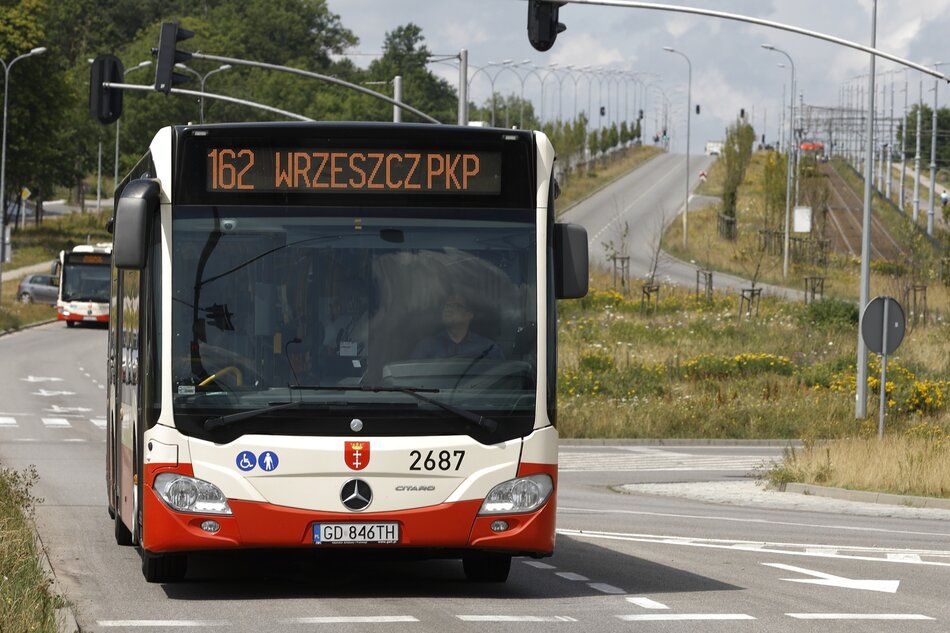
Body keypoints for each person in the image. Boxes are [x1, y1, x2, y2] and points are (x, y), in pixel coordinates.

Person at [410, 293, 504, 360]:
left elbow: (500, 381)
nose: (448, 310)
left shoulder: (488, 348)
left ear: (469, 315)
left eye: (455, 306)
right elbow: (413, 381)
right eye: (446, 306)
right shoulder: (426, 347)